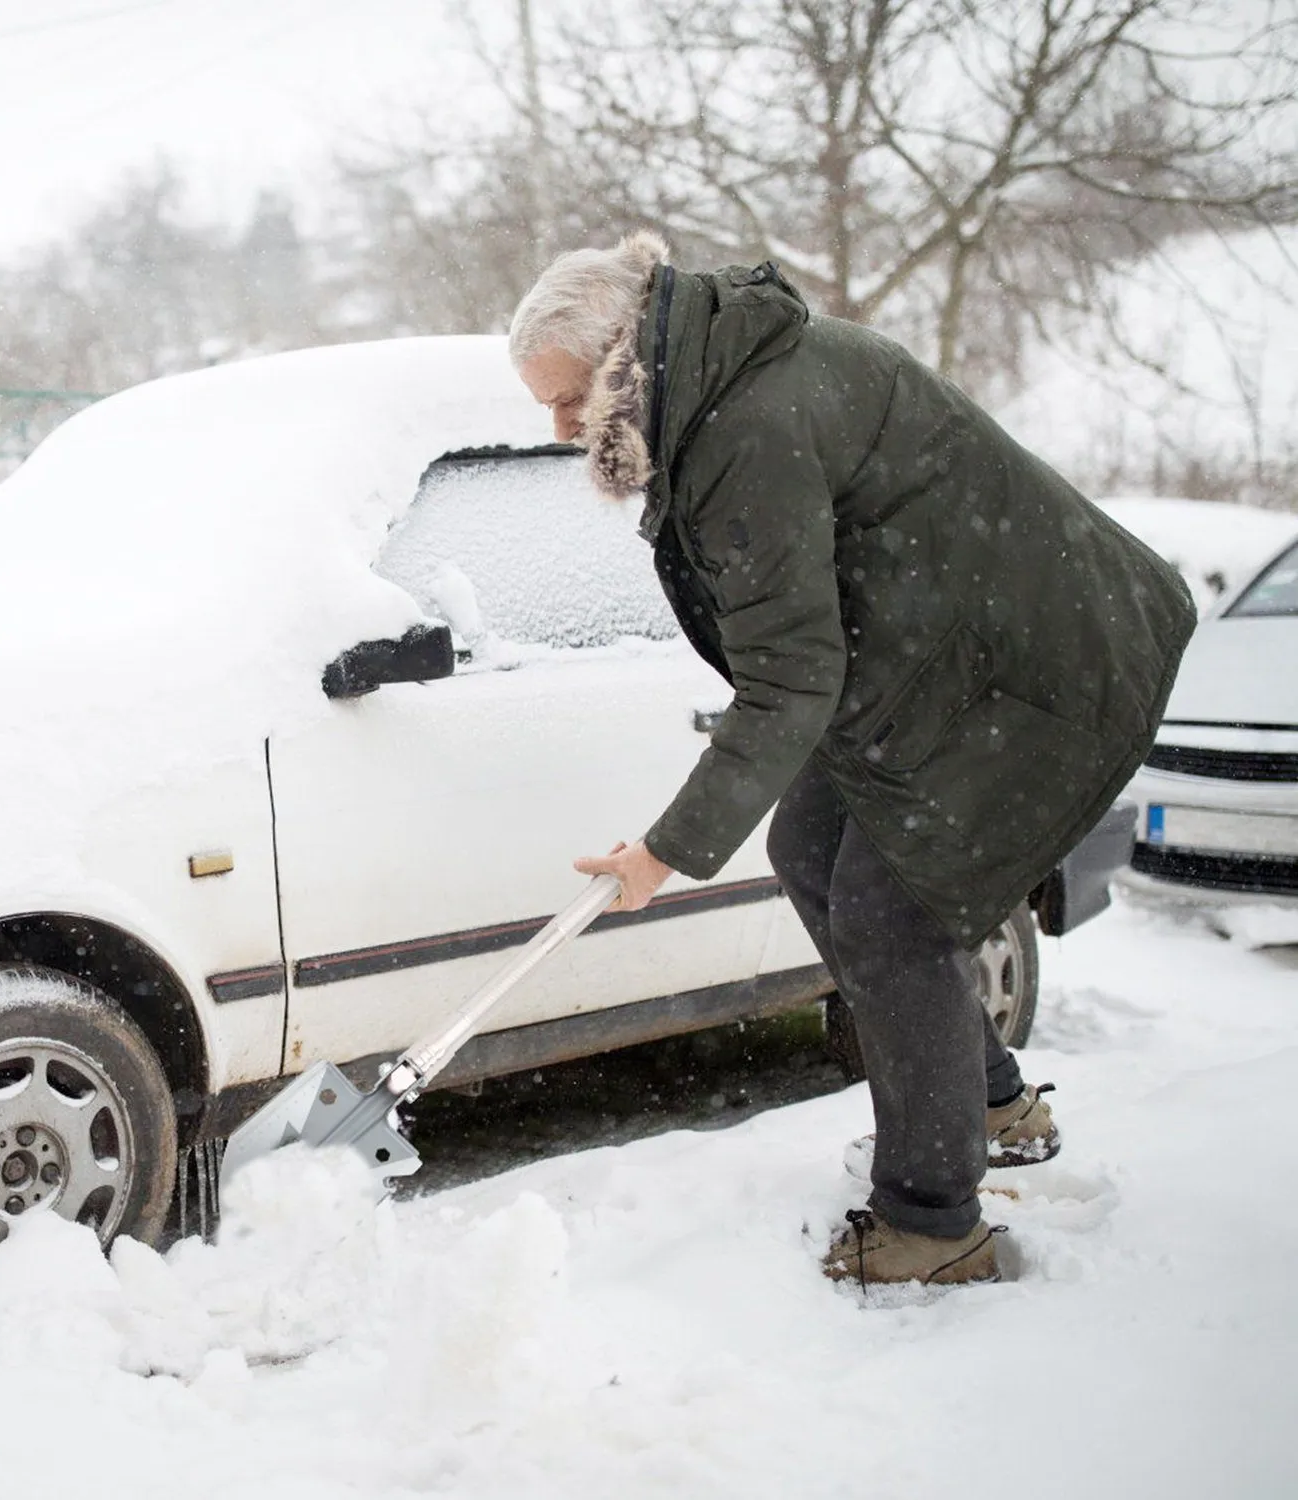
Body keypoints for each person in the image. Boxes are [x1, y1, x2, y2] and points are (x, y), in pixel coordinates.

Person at [508, 232, 1196, 1289]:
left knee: (891, 909)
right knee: (809, 844)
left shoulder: (749, 425)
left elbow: (790, 676)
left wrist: (662, 851)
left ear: (618, 357)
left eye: (563, 402)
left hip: (1029, 670)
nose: (557, 431)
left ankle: (932, 1225)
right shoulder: (727, 380)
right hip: (939, 662)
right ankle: (992, 1105)